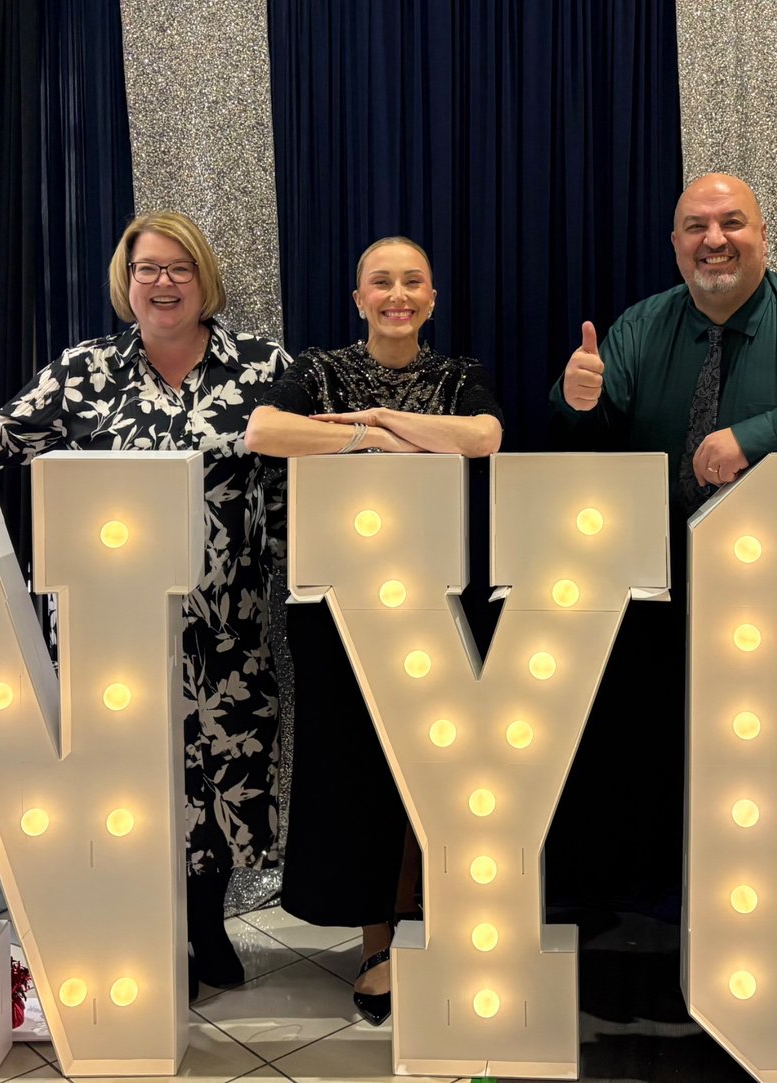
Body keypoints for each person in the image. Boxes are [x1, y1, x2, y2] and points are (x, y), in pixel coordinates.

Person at [0, 211, 290, 999]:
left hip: (224, 625)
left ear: (206, 279)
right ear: (127, 282)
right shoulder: (87, 369)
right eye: (148, 268)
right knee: (123, 777)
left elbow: (303, 471)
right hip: (108, 630)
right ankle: (146, 940)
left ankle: (202, 924)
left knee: (221, 773)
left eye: (179, 268)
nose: (163, 282)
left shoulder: (261, 367)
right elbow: (0, 434)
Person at [547, 173, 777, 925]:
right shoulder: (643, 324)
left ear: (762, 235)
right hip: (666, 605)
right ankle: (678, 927)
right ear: (676, 243)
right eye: (695, 226)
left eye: (731, 222)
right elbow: (589, 439)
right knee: (660, 771)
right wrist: (575, 400)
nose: (713, 240)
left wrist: (759, 436)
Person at [244, 236, 502, 1024]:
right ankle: (376, 943)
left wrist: (387, 417)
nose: (397, 293)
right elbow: (266, 431)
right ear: (358, 297)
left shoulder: (458, 375)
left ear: (431, 298)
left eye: (412, 281)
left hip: (435, 592)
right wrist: (373, 439)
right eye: (381, 282)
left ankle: (446, 927)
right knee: (355, 767)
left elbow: (485, 436)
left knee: (434, 764)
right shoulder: (317, 368)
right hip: (334, 602)